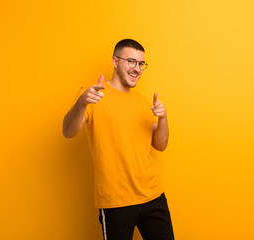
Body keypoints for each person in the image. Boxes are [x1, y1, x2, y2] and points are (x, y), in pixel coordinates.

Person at [62, 39, 174, 240]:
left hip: (153, 195)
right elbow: (68, 132)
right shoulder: (93, 95)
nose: (137, 68)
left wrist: (163, 118)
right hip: (116, 201)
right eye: (131, 61)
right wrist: (81, 103)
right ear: (115, 61)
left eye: (141, 64)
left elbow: (160, 145)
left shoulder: (142, 102)